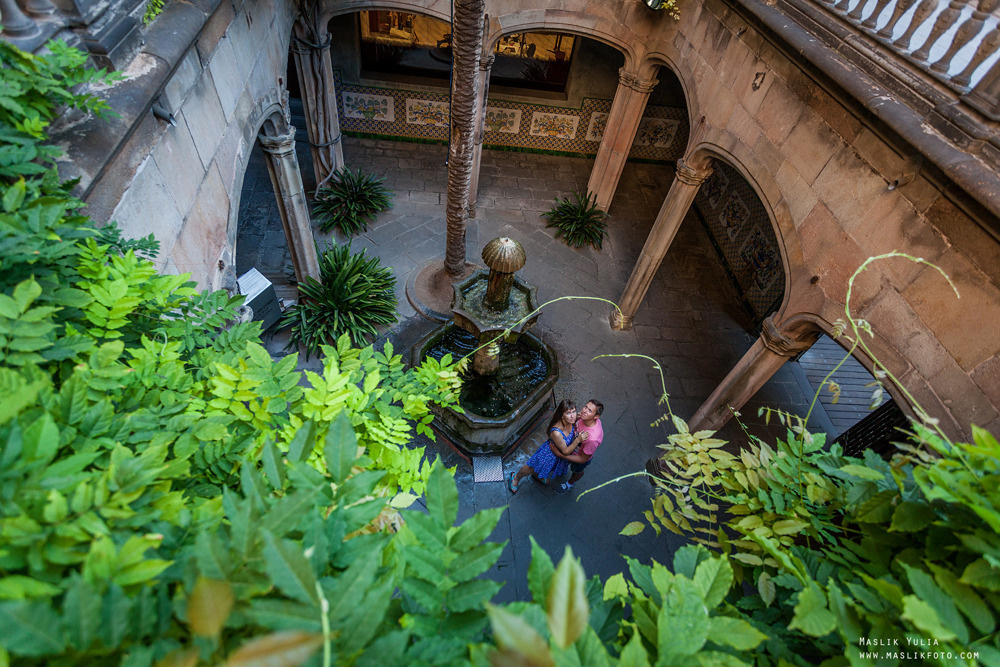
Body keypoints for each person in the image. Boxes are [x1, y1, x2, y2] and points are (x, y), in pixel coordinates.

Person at [507, 400, 588, 494]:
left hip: (558, 456)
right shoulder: (557, 432)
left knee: (549, 468)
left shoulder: (572, 419)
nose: (572, 415)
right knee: (531, 467)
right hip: (548, 455)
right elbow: (565, 451)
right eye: (568, 413)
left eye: (573, 411)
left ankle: (538, 475)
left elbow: (578, 416)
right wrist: (577, 440)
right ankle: (515, 478)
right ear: (562, 415)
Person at [553, 399, 603, 494]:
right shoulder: (584, 417)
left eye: (589, 411)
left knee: (577, 471)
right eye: (585, 407)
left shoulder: (593, 439)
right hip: (572, 448)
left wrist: (560, 454)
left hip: (578, 456)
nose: (584, 411)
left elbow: (582, 459)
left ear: (596, 416)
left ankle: (570, 483)